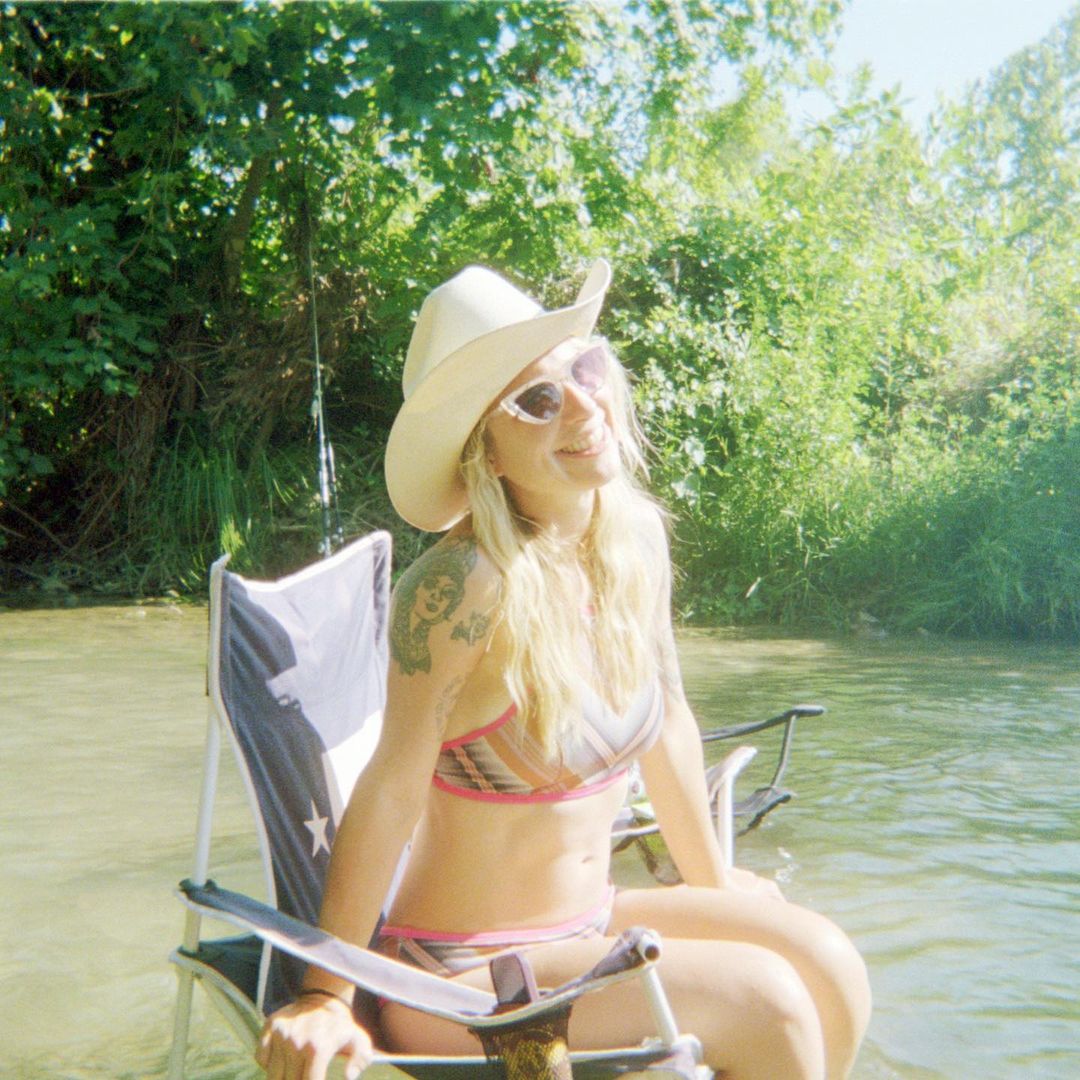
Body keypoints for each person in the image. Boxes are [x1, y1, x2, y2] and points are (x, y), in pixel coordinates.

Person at [255, 259, 871, 1080]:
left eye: (583, 370)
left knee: (829, 967)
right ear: (486, 451)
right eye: (538, 401)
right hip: (463, 974)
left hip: (587, 923)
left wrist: (715, 887)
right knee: (766, 1002)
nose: (583, 406)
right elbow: (391, 786)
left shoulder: (633, 539)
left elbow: (669, 724)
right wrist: (327, 994)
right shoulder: (463, 586)